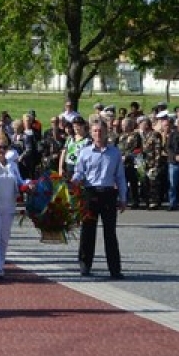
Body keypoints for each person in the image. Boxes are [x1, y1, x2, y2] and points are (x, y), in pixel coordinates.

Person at [73, 116, 127, 279]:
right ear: (91, 132)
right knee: (87, 231)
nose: (98, 134)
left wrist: (123, 197)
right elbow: (79, 172)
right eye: (95, 131)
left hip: (108, 193)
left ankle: (115, 269)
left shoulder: (114, 153)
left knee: (110, 233)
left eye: (101, 131)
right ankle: (84, 265)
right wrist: (73, 181)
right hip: (90, 193)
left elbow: (120, 177)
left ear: (106, 132)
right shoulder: (85, 152)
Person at [0, 133, 26, 279]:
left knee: (4, 238)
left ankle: (0, 264)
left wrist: (29, 185)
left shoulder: (12, 165)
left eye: (4, 147)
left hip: (9, 206)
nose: (1, 150)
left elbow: (20, 182)